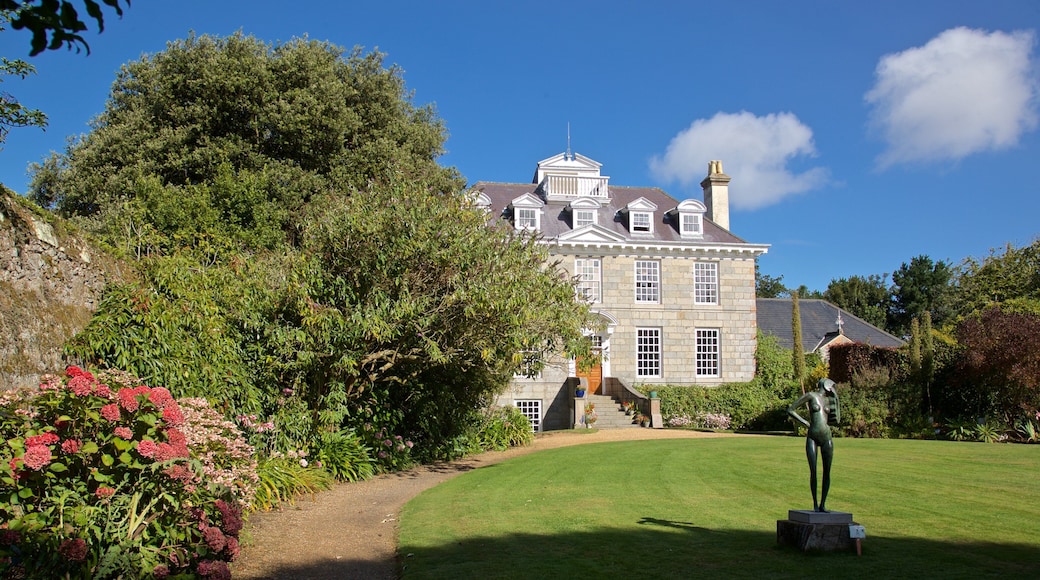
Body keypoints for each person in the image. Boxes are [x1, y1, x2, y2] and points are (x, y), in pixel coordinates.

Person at [787, 378, 840, 512]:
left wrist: (835, 398)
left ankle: (823, 504)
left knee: (827, 472)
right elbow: (791, 410)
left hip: (826, 436)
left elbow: (836, 418)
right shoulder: (811, 396)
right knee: (814, 471)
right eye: (832, 387)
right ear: (827, 386)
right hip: (813, 436)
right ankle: (815, 504)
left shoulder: (828, 400)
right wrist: (805, 423)